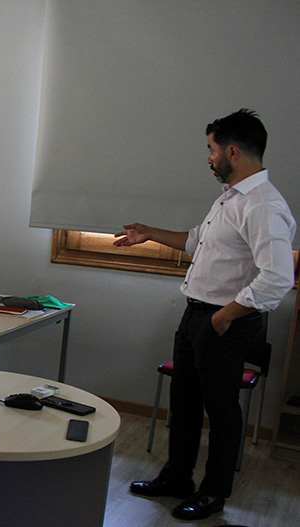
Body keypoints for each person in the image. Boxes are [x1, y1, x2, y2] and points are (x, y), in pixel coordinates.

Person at [115, 109, 296, 521]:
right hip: (197, 316)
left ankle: (214, 492)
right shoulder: (230, 198)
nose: (209, 158)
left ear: (232, 150)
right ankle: (176, 478)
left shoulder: (264, 206)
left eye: (212, 150)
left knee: (222, 410)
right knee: (184, 403)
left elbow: (277, 279)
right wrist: (148, 233)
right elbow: (197, 242)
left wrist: (224, 317)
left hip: (224, 323)